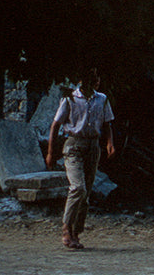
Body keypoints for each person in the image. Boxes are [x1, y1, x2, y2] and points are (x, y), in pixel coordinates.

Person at [45, 70, 116, 250]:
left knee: (85, 194)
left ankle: (76, 232)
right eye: (91, 79)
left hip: (93, 146)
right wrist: (51, 153)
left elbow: (107, 123)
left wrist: (110, 143)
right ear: (81, 81)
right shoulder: (70, 98)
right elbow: (55, 125)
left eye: (97, 79)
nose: (95, 82)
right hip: (74, 145)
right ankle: (66, 228)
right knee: (78, 187)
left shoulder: (102, 99)